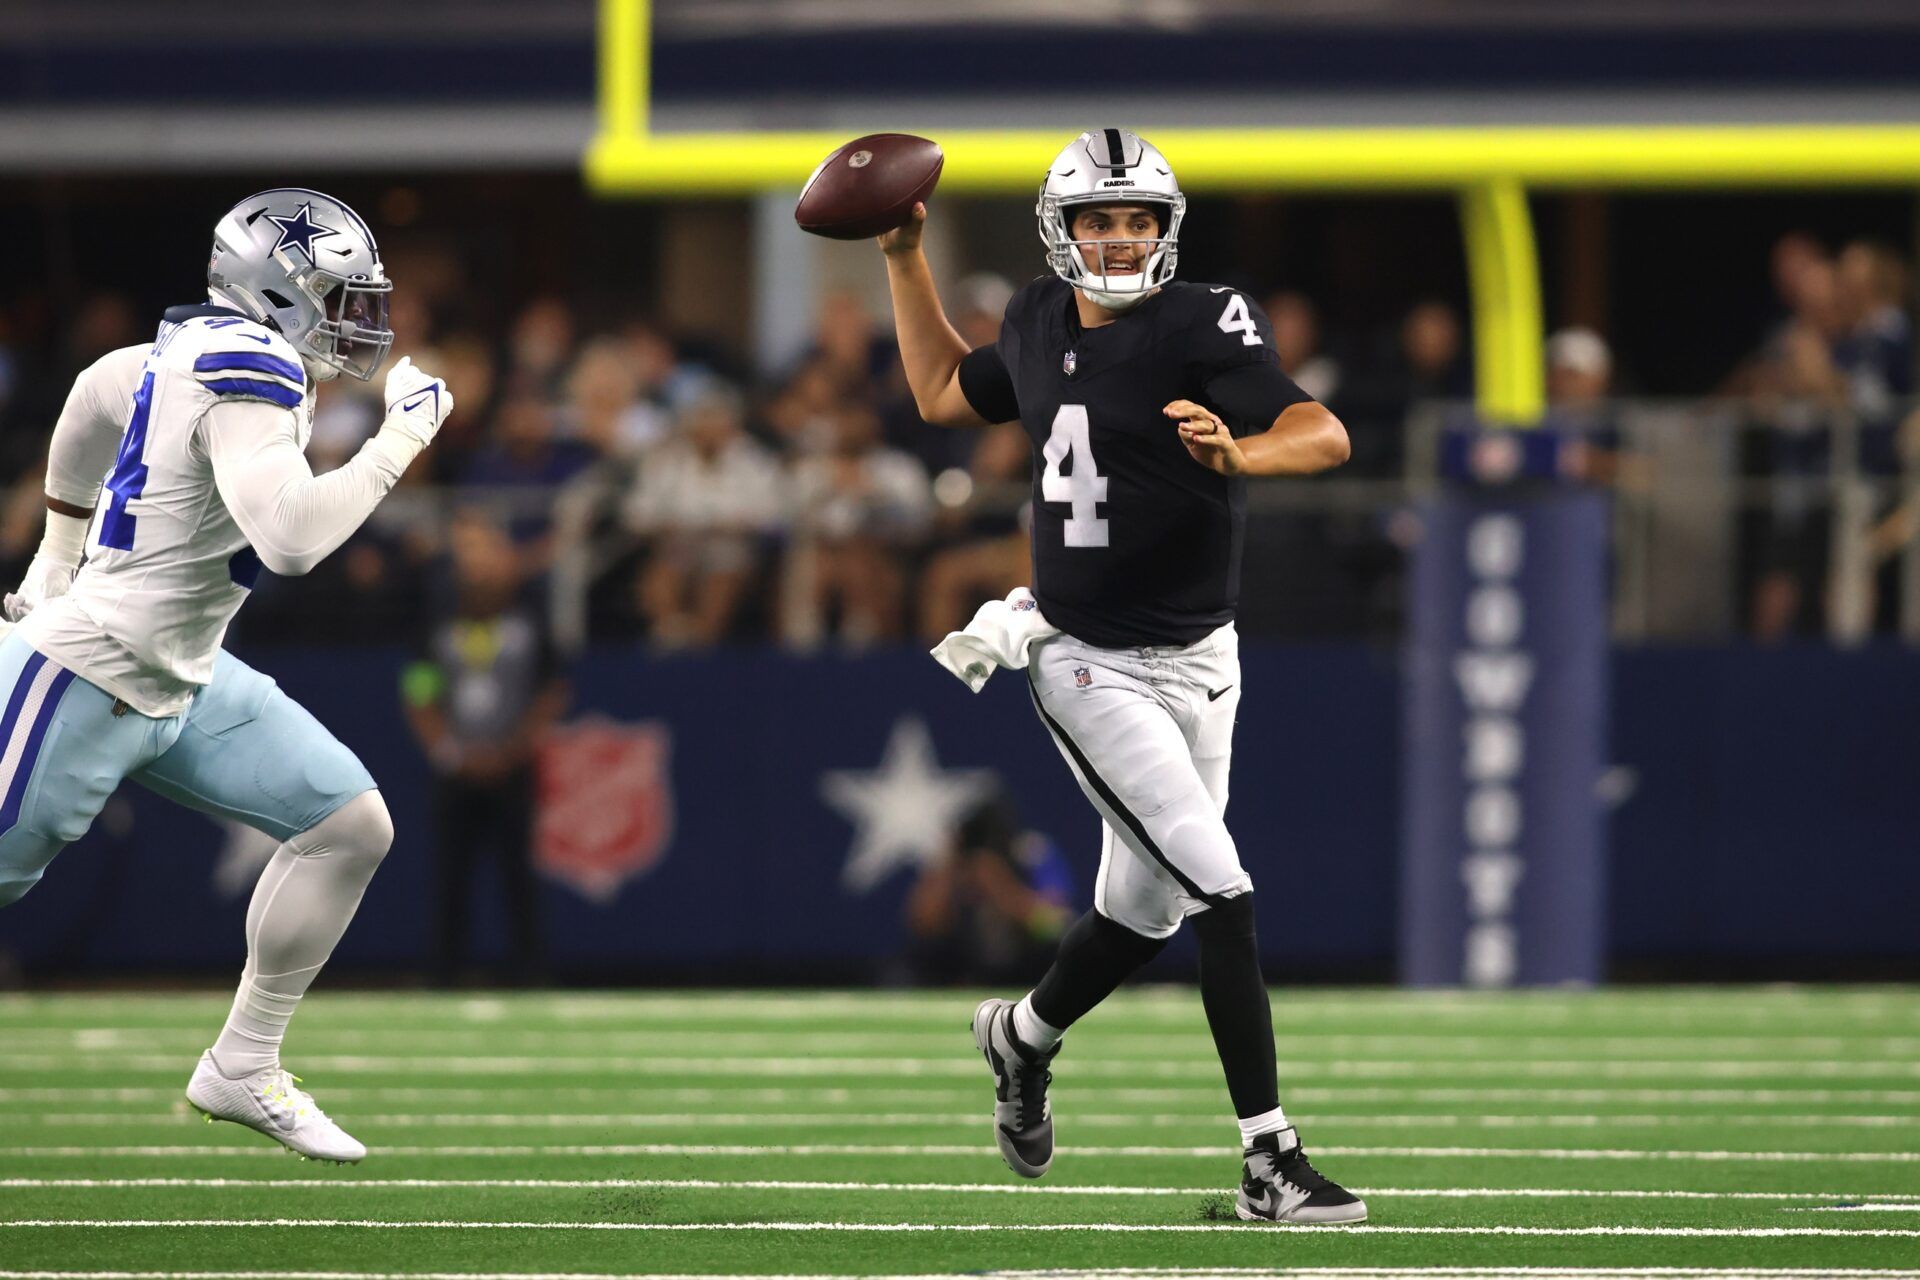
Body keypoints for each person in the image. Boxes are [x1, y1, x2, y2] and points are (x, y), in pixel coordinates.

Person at [877, 128, 1364, 1224]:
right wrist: (904, 259)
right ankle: (1270, 1162)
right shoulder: (1038, 317)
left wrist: (1249, 453)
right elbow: (945, 393)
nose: (1120, 235)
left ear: (1166, 229)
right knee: (1221, 890)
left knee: (1144, 912)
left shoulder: (1202, 318)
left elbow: (1320, 431)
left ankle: (1021, 1035)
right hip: (1084, 656)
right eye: (1100, 218)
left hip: (1203, 655)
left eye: (1138, 218)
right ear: (1063, 229)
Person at [0, 188, 453, 1163]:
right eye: (339, 294)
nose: (359, 319)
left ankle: (243, 1061)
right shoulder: (252, 362)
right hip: (84, 672)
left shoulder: (185, 347)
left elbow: (92, 394)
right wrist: (400, 438)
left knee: (348, 825)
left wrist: (55, 549)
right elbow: (288, 541)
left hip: (182, 676)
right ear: (277, 293)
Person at [402, 508, 568, 985]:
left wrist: (514, 750)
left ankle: (531, 971)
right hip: (456, 770)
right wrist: (448, 751)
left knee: (519, 873)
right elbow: (418, 688)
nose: (475, 563)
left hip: (512, 767)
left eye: (483, 551)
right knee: (450, 874)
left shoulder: (530, 612)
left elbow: (552, 690)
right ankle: (444, 972)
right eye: (465, 553)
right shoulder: (438, 615)